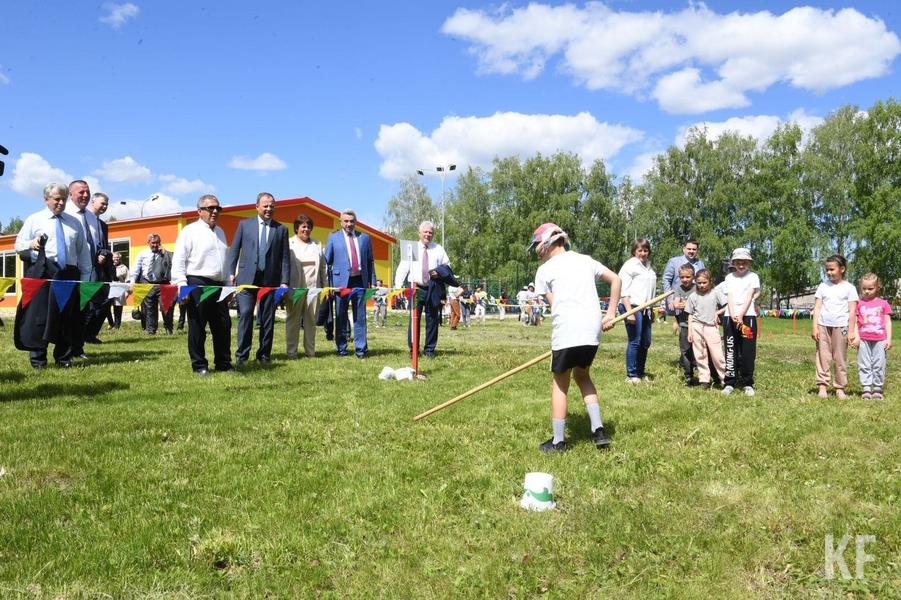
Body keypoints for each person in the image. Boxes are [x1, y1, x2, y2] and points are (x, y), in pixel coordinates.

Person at [529, 223, 621, 453]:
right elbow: (616, 280)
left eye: (537, 246)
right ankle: (598, 429)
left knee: (560, 384)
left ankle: (559, 441)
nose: (537, 252)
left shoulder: (544, 270)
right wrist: (610, 313)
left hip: (567, 330)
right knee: (583, 376)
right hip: (592, 330)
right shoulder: (586, 260)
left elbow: (555, 304)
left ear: (546, 243)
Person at [14, 182, 92, 368]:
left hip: (68, 274)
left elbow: (83, 253)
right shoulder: (34, 219)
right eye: (57, 199)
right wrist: (31, 243)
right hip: (42, 272)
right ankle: (38, 361)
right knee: (38, 317)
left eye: (64, 199)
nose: (61, 203)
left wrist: (86, 279)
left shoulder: (74, 223)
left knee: (67, 316)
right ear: (46, 199)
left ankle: (64, 359)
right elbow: (17, 245)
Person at [226, 192, 290, 366]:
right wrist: (230, 272)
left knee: (267, 318)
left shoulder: (281, 229)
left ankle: (264, 355)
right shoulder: (244, 225)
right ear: (257, 207)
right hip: (246, 279)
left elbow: (285, 258)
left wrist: (285, 281)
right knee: (246, 315)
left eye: (272, 206)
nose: (269, 209)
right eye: (265, 205)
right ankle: (242, 356)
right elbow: (234, 250)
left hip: (271, 281)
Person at [171, 194, 232, 375]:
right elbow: (179, 260)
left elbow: (226, 262)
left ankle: (223, 363)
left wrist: (228, 285)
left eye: (218, 208)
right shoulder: (189, 231)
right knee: (198, 325)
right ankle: (199, 366)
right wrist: (182, 285)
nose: (215, 211)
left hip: (219, 284)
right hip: (197, 282)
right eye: (210, 208)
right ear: (199, 211)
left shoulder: (220, 232)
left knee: (223, 325)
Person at [324, 209, 375, 358]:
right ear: (341, 222)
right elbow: (327, 262)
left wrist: (372, 280)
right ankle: (341, 348)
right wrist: (329, 284)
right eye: (346, 221)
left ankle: (361, 349)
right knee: (340, 315)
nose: (349, 224)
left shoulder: (365, 238)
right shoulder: (333, 238)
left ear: (356, 222)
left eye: (352, 221)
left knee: (360, 316)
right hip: (340, 282)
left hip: (360, 280)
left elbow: (370, 261)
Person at [394, 221, 450, 356]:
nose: (428, 234)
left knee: (432, 319)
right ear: (419, 233)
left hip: (433, 287)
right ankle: (413, 350)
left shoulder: (438, 248)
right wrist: (398, 286)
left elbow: (447, 266)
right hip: (415, 288)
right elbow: (403, 268)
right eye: (425, 232)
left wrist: (440, 272)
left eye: (430, 232)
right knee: (414, 320)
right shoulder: (412, 247)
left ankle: (429, 350)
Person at [66, 180, 107, 354]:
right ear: (70, 194)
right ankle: (64, 349)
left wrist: (102, 253)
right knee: (68, 310)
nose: (85, 195)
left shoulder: (93, 218)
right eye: (81, 192)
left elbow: (97, 243)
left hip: (89, 271)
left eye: (87, 192)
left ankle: (77, 348)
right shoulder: (65, 214)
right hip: (70, 270)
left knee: (83, 310)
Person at [811, 254, 858, 399]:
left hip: (842, 327)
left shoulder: (850, 288)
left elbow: (852, 312)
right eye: (827, 270)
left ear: (842, 269)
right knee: (823, 357)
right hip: (823, 326)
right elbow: (817, 308)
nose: (829, 272)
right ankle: (823, 386)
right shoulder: (823, 286)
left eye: (832, 269)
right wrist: (815, 327)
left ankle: (839, 387)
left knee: (840, 357)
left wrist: (851, 332)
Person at [285, 213, 327, 359]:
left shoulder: (317, 244)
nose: (306, 229)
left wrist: (325, 287)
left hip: (313, 289)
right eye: (303, 226)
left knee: (311, 321)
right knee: (293, 320)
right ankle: (292, 352)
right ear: (297, 228)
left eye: (309, 227)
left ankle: (310, 352)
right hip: (294, 288)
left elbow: (323, 268)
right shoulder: (289, 243)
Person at [722, 247, 761, 396]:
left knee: (747, 351)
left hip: (748, 317)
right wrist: (733, 315)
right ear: (734, 263)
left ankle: (747, 383)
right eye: (738, 262)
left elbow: (750, 296)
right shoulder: (729, 278)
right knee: (731, 349)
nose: (741, 265)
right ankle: (730, 382)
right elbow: (729, 297)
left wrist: (741, 315)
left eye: (744, 262)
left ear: (749, 263)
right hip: (729, 317)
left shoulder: (753, 277)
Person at [618, 239, 657, 384]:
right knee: (635, 341)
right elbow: (623, 291)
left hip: (646, 308)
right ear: (634, 251)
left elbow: (649, 291)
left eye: (645, 250)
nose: (643, 253)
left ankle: (640, 372)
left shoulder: (648, 267)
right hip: (632, 306)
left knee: (646, 342)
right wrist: (629, 312)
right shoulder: (629, 266)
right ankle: (631, 375)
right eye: (640, 250)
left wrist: (651, 309)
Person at [852, 273, 892, 400]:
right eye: (864, 288)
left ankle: (877, 389)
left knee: (879, 364)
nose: (867, 291)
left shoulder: (883, 304)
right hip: (863, 339)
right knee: (864, 364)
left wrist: (888, 338)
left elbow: (887, 322)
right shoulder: (858, 304)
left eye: (870, 288)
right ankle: (866, 389)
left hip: (880, 340)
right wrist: (856, 337)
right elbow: (855, 322)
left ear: (877, 287)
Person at [686, 269, 725, 389]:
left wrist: (717, 313)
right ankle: (704, 380)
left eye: (704, 282)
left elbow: (727, 305)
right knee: (700, 354)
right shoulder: (693, 296)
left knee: (717, 355)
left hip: (711, 327)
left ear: (710, 281)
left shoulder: (715, 293)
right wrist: (690, 331)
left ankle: (725, 379)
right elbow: (690, 314)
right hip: (697, 326)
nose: (702, 285)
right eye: (699, 283)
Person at [129, 233, 174, 335]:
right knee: (150, 308)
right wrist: (132, 282)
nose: (155, 245)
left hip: (164, 284)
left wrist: (165, 253)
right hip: (147, 283)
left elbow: (174, 263)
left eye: (158, 242)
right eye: (153, 243)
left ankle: (169, 329)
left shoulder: (165, 253)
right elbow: (136, 269)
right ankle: (151, 331)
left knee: (166, 308)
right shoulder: (142, 254)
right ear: (148, 242)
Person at [662, 239, 705, 314]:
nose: (691, 251)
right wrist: (670, 300)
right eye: (689, 249)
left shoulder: (700, 264)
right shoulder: (674, 262)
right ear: (684, 249)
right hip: (678, 302)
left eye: (694, 249)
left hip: (695, 304)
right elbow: (666, 280)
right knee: (680, 324)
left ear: (697, 251)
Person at [671, 263, 697, 385]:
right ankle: (688, 375)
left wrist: (685, 304)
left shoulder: (698, 288)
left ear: (693, 276)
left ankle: (703, 373)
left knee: (699, 350)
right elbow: (676, 304)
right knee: (685, 351)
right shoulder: (678, 289)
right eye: (682, 277)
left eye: (688, 277)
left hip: (698, 324)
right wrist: (687, 304)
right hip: (684, 324)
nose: (685, 280)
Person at [108, 251, 129, 329]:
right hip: (109, 289)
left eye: (118, 258)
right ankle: (111, 323)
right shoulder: (109, 266)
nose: (116, 259)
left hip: (120, 289)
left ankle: (117, 326)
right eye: (114, 257)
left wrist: (127, 291)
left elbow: (128, 280)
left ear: (120, 259)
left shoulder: (124, 268)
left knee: (118, 308)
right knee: (106, 307)